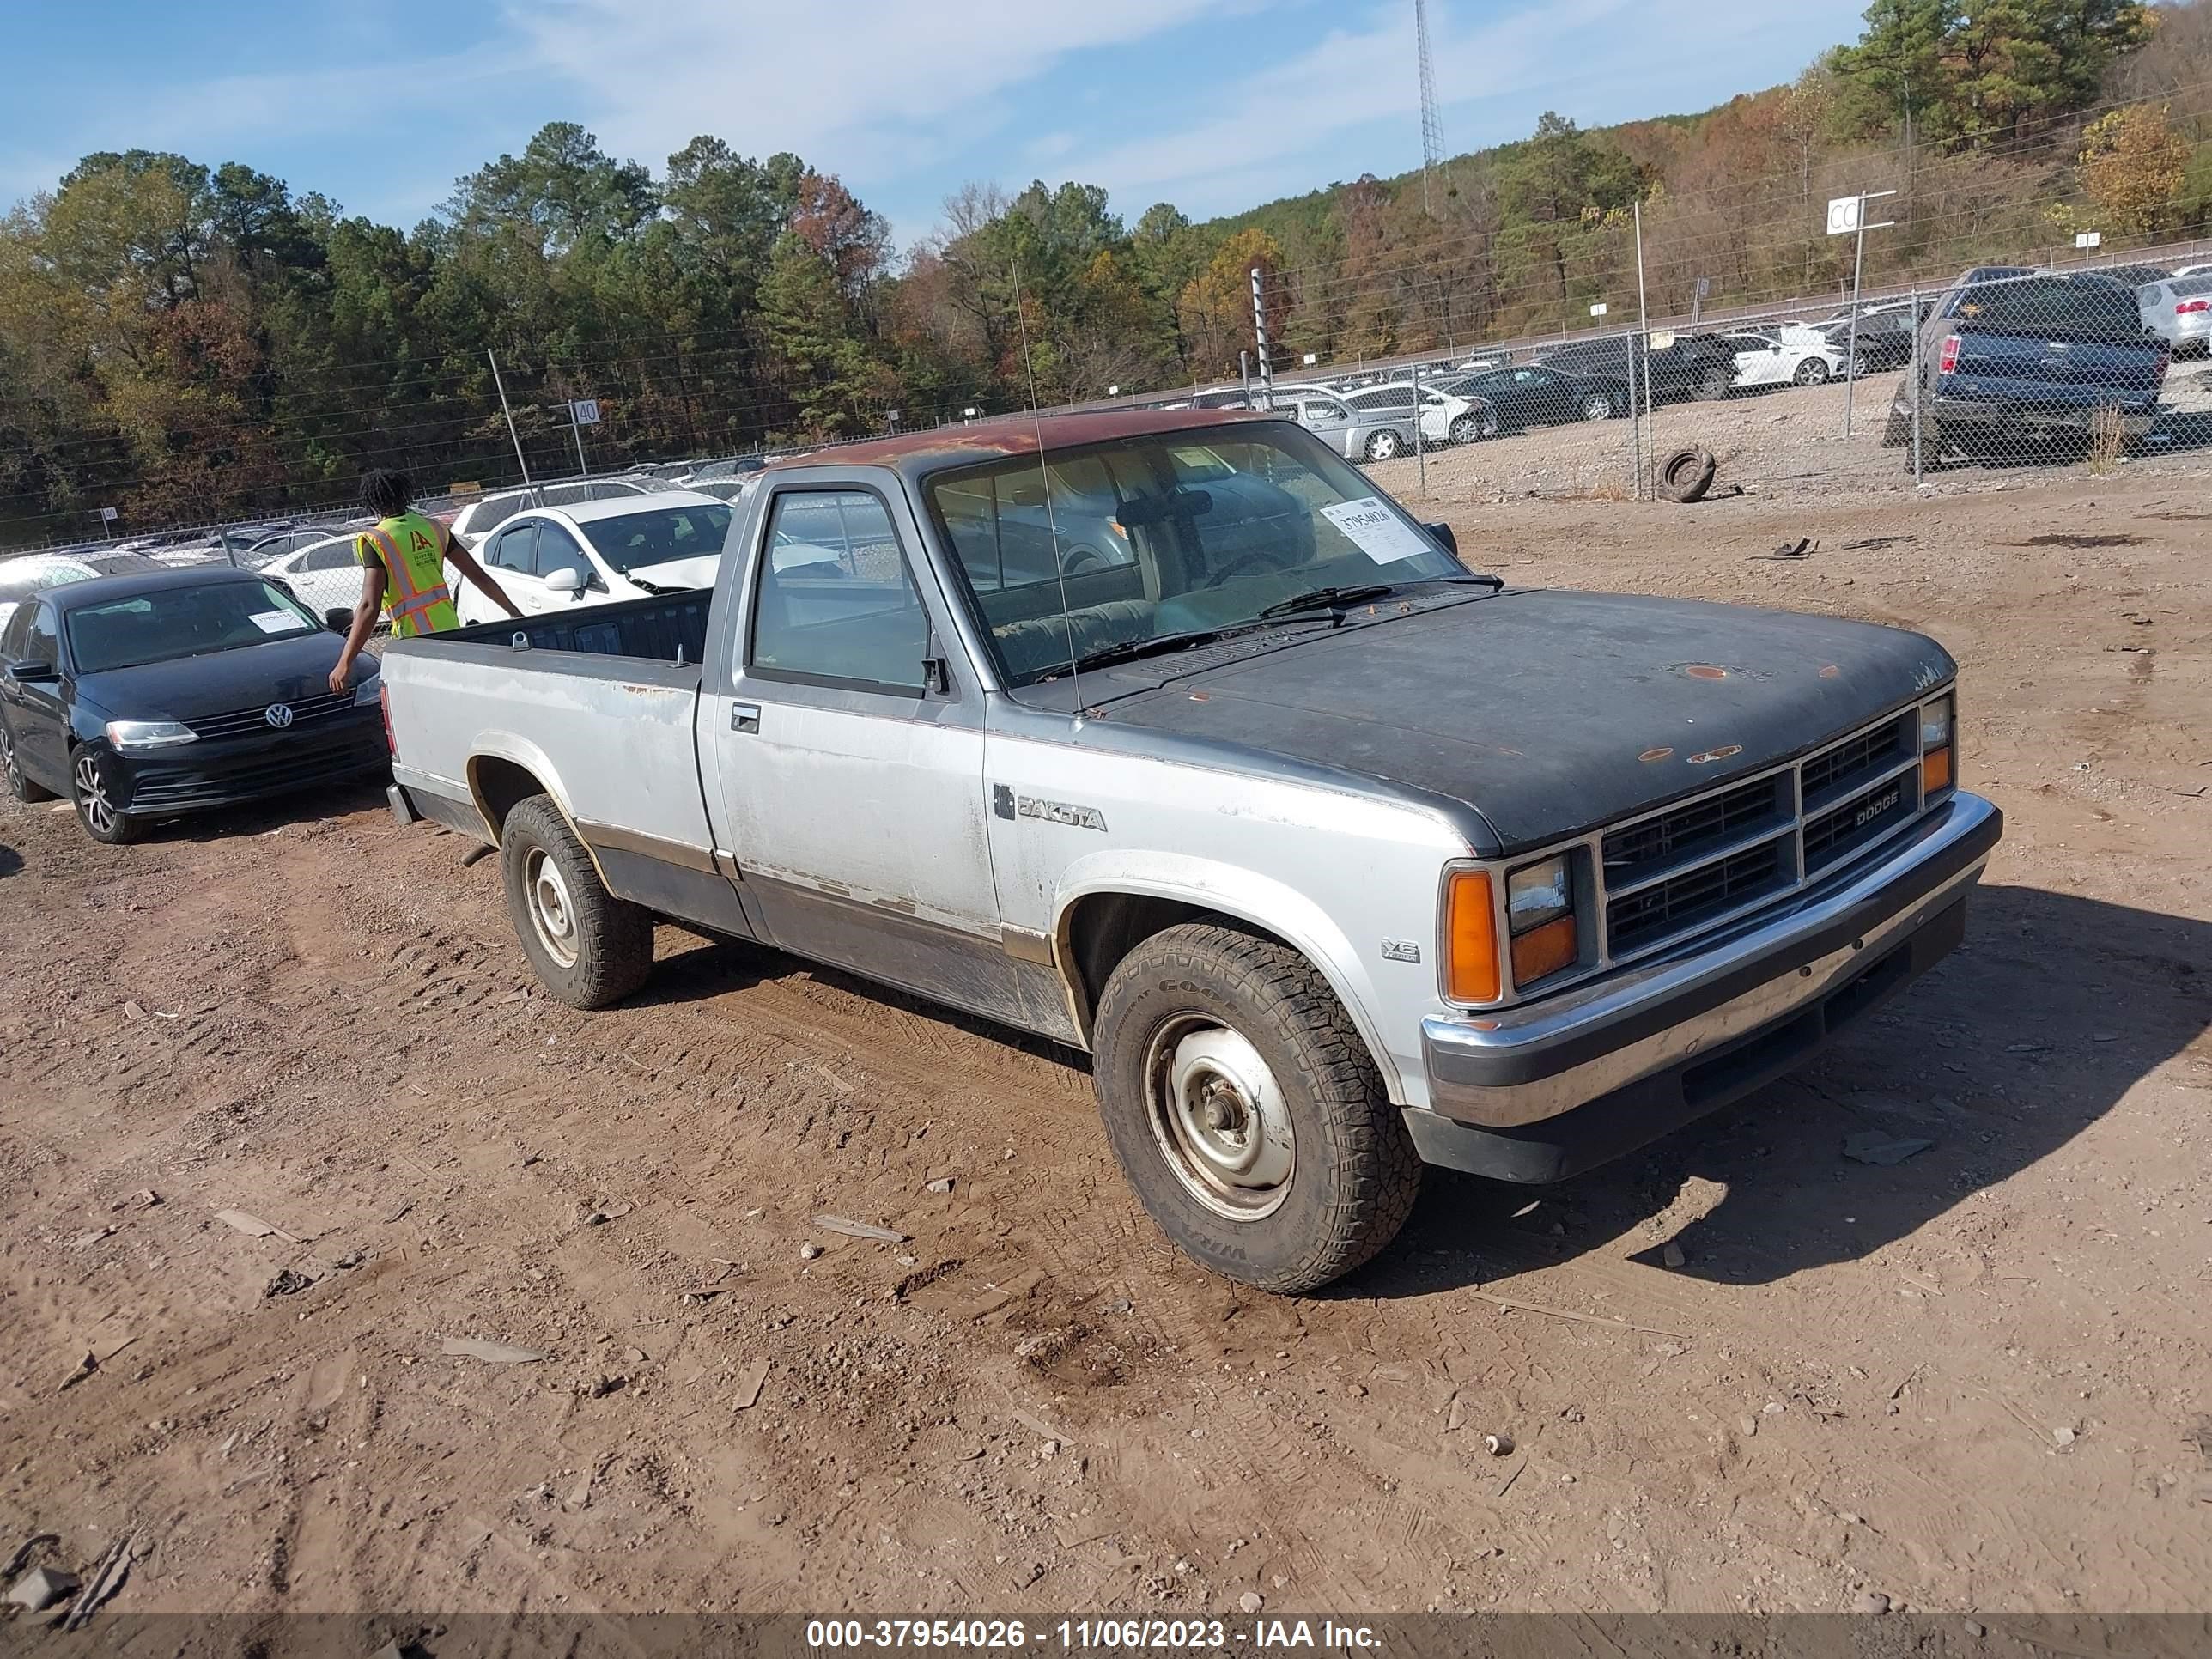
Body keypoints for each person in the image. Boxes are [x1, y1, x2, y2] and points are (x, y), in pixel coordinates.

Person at [329, 469, 523, 693]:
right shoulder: (434, 528)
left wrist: (345, 662)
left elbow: (369, 606)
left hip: (415, 643)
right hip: (451, 632)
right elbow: (478, 576)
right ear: (405, 495)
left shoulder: (377, 539)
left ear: (372, 503)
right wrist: (514, 613)